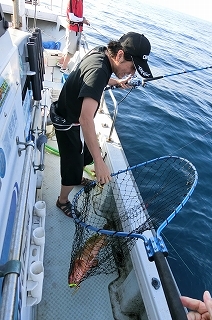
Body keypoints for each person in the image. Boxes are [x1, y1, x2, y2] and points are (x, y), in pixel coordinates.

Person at [54, 32, 153, 217]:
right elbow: (85, 118)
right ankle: (62, 201)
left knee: (87, 156)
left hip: (71, 115)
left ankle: (76, 177)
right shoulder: (99, 70)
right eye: (132, 68)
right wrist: (99, 163)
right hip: (67, 122)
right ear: (120, 54)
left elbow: (100, 76)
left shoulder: (102, 53)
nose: (132, 73)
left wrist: (117, 82)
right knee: (73, 164)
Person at [58, 0, 90, 73]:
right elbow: (72, 17)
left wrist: (84, 20)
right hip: (72, 30)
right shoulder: (72, 1)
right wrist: (83, 20)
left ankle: (60, 62)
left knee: (71, 49)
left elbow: (77, 15)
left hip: (77, 29)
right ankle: (63, 68)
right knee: (71, 51)